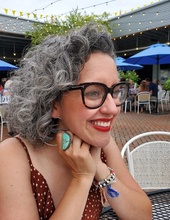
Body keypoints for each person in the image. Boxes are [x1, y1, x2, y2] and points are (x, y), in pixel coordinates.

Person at [0, 23, 152, 220]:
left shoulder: (102, 145)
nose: (113, 108)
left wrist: (99, 168)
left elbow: (143, 215)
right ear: (53, 102)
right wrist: (82, 178)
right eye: (94, 93)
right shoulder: (12, 155)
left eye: (115, 91)